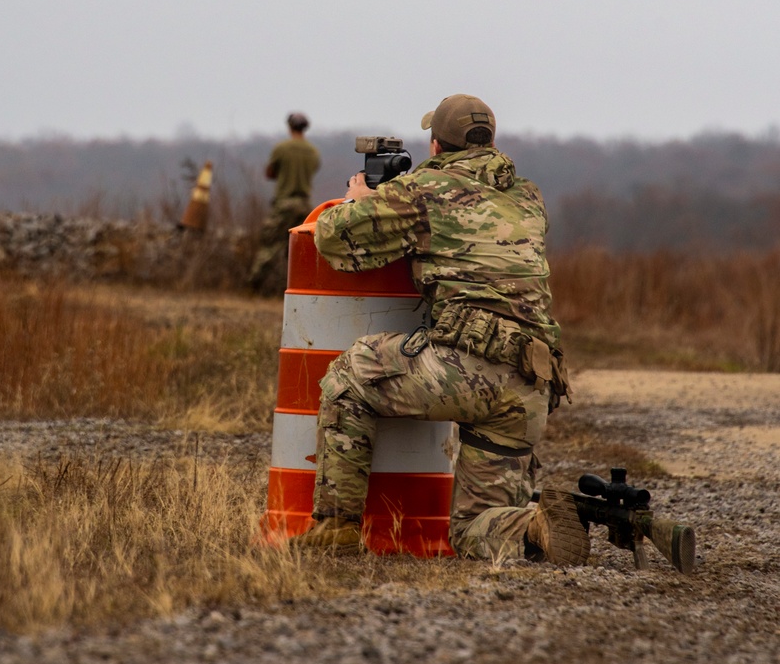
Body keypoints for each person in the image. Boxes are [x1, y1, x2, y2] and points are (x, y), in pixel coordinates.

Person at [292, 94, 587, 566]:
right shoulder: (527, 196)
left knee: (349, 375)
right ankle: (531, 525)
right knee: (473, 530)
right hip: (531, 384)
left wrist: (362, 200)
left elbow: (334, 238)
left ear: (435, 146)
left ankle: (335, 528)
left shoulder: (423, 191)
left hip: (465, 370)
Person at [249, 113, 321, 294]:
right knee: (300, 250)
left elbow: (270, 173)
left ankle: (252, 286)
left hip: (284, 203)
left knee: (270, 245)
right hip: (305, 205)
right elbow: (313, 170)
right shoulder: (313, 152)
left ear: (289, 127)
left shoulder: (281, 148)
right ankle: (298, 287)